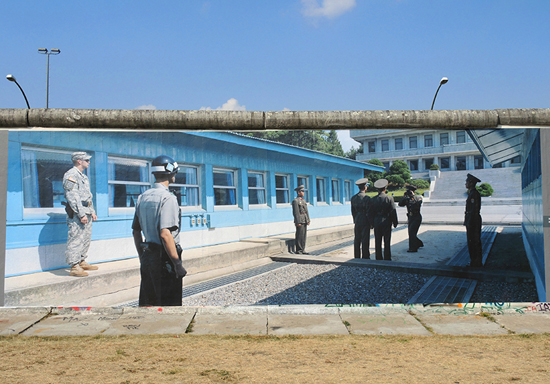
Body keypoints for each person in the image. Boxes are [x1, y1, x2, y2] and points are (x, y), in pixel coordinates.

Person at [132, 155, 187, 306]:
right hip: (165, 259)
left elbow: (136, 231)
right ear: (170, 173)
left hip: (148, 255)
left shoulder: (142, 197)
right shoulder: (168, 198)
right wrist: (177, 265)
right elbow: (165, 234)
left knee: (149, 302)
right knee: (169, 304)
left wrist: (142, 256)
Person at [63, 152, 98, 277]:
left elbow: (88, 196)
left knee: (85, 238)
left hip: (86, 211)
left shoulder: (83, 176)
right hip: (78, 213)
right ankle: (74, 266)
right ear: (79, 161)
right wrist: (81, 214)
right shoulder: (71, 175)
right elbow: (73, 196)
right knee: (76, 238)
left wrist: (92, 211)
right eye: (86, 160)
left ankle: (82, 261)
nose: (88, 162)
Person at [368, 179, 398, 261]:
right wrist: (395, 222)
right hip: (386, 221)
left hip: (377, 221)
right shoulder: (389, 198)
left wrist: (371, 223)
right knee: (387, 241)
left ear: (377, 189)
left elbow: (370, 213)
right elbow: (393, 211)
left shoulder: (373, 199)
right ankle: (387, 257)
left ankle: (378, 257)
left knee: (378, 240)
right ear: (385, 188)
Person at [464, 173, 483, 267]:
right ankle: (475, 262)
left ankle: (476, 263)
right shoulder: (472, 193)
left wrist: (469, 222)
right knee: (472, 242)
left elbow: (473, 210)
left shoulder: (474, 194)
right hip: (472, 220)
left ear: (471, 183)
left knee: (474, 242)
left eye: (467, 182)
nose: (465, 183)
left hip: (473, 221)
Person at [399, 185, 424, 252]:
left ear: (413, 192)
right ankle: (418, 243)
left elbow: (417, 204)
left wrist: (413, 196)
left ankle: (413, 248)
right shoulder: (407, 199)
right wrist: (404, 196)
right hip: (410, 217)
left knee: (412, 233)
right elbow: (400, 204)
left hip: (417, 217)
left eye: (410, 192)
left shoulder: (418, 198)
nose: (409, 194)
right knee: (411, 233)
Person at [351, 178, 371, 259]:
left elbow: (353, 211)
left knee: (357, 239)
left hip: (357, 219)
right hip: (365, 219)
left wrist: (355, 219)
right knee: (365, 239)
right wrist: (370, 222)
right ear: (365, 187)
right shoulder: (367, 198)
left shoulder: (354, 198)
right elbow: (369, 211)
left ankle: (357, 256)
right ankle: (365, 256)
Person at [292, 185, 310, 254]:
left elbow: (306, 211)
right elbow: (296, 212)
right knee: (299, 235)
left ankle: (303, 249)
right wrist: (298, 221)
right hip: (300, 220)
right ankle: (299, 250)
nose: (303, 193)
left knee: (304, 235)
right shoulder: (295, 201)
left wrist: (308, 220)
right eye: (302, 191)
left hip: (304, 219)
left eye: (303, 191)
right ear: (298, 192)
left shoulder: (303, 201)